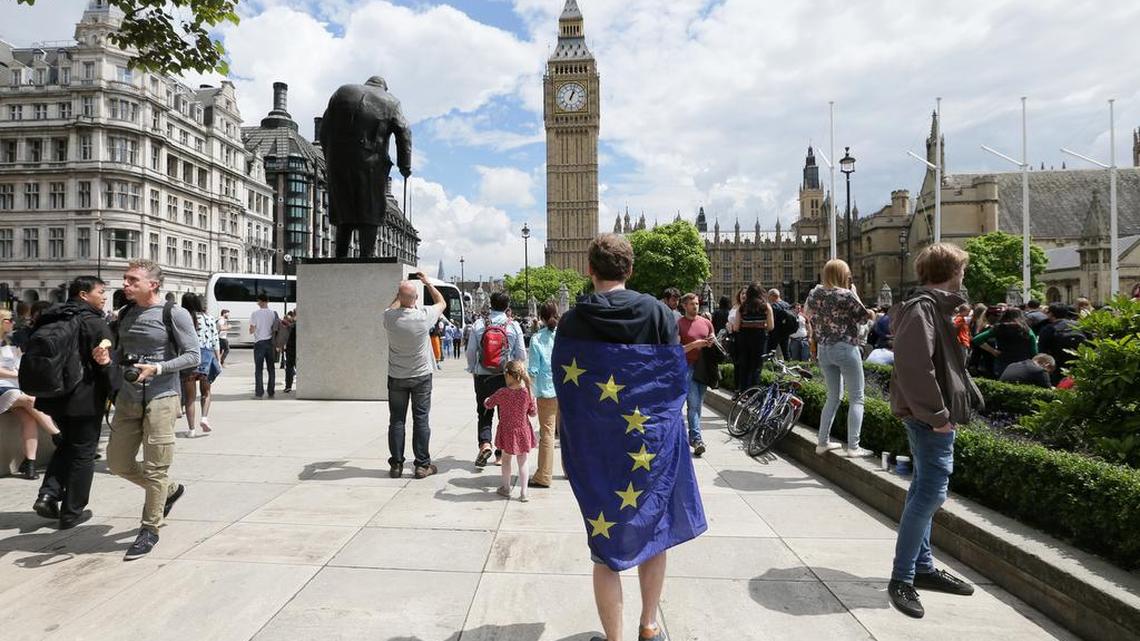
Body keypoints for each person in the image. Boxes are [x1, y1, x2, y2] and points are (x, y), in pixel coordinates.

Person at [553, 233, 705, 641]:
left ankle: (614, 638)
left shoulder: (573, 320)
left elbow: (566, 390)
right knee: (654, 530)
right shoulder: (657, 312)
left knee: (604, 545)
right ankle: (649, 626)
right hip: (648, 445)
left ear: (590, 270)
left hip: (598, 449)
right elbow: (672, 382)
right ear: (630, 270)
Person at [888, 243, 981, 619]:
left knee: (924, 488)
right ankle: (902, 578)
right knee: (931, 493)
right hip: (931, 417)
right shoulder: (922, 308)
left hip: (935, 414)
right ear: (951, 271)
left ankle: (922, 568)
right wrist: (938, 414)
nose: (964, 275)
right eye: (962, 269)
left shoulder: (937, 308)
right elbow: (913, 366)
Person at [108, 259, 200, 561]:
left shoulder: (174, 313)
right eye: (125, 279)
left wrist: (158, 367)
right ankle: (170, 490)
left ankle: (150, 528)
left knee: (155, 467)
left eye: (133, 280)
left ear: (153, 285)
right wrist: (106, 355)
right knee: (118, 463)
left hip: (162, 396)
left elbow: (192, 356)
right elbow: (122, 354)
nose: (126, 284)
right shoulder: (126, 313)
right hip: (128, 396)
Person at [31, 276, 113, 527]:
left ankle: (48, 494)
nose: (104, 296)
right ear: (83, 294)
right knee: (84, 453)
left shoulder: (52, 316)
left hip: (53, 395)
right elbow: (106, 364)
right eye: (100, 291)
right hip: (84, 397)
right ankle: (71, 511)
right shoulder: (94, 323)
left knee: (67, 444)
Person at [804, 259, 874, 457]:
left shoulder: (815, 292)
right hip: (845, 347)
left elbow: (807, 314)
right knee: (857, 398)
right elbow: (863, 317)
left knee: (833, 397)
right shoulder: (845, 294)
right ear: (843, 275)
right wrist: (857, 296)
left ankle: (822, 442)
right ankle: (853, 446)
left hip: (824, 350)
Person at [383, 274, 446, 479]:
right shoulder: (423, 316)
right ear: (416, 298)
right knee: (421, 420)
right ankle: (421, 465)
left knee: (397, 420)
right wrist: (427, 282)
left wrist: (400, 294)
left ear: (400, 297)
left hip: (397, 376)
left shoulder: (389, 317)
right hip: (420, 375)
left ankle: (397, 465)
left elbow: (393, 306)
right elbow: (441, 302)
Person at [466, 291, 526, 468]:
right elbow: (521, 353)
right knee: (505, 415)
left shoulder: (479, 324)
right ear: (507, 306)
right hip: (506, 376)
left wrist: (472, 368)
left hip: (483, 375)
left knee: (484, 411)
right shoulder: (513, 326)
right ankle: (500, 454)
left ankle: (485, 444)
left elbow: (470, 351)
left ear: (490, 305)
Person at [0, 311, 63, 480]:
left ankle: (30, 462)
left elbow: (19, 361)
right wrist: (17, 375)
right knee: (30, 400)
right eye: (9, 320)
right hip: (4, 387)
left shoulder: (11, 340)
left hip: (12, 387)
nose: (12, 322)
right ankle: (58, 436)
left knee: (29, 417)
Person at [483, 359, 537, 501]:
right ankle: (524, 492)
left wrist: (486, 400)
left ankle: (506, 488)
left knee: (506, 460)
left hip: (507, 431)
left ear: (508, 376)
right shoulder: (527, 393)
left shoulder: (502, 392)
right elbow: (533, 413)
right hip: (522, 430)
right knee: (523, 460)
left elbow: (489, 404)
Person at [527, 301, 559, 489]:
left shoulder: (537, 339)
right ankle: (570, 471)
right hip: (567, 388)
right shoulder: (565, 337)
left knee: (547, 434)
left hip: (546, 391)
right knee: (567, 434)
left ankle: (544, 475)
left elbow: (534, 369)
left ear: (541, 317)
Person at [678, 292, 713, 457]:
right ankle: (697, 439)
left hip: (703, 368)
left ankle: (693, 436)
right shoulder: (678, 324)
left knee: (698, 405)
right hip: (687, 368)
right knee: (693, 404)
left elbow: (713, 343)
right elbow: (676, 350)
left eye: (697, 304)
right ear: (684, 306)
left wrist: (712, 342)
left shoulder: (706, 323)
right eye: (692, 304)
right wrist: (694, 345)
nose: (695, 306)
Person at [179, 293, 219, 439]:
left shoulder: (184, 318)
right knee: (206, 392)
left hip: (189, 357)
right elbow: (215, 340)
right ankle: (204, 418)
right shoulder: (209, 318)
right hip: (207, 356)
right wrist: (218, 359)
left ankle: (191, 429)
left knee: (190, 397)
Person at [729, 283, 774, 391]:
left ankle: (743, 391)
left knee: (744, 365)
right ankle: (753, 392)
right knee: (757, 366)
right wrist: (761, 326)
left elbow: (736, 328)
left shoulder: (742, 307)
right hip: (759, 337)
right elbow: (771, 326)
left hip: (744, 338)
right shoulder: (765, 306)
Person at [970, 308, 1037, 378]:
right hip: (1023, 364)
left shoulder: (999, 328)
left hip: (1003, 363)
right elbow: (1034, 350)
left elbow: (977, 339)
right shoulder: (1027, 330)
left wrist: (993, 351)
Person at [1037, 303, 1086, 385]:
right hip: (1079, 365)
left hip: (1057, 366)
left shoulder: (1048, 329)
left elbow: (1042, 352)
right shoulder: (1079, 326)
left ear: (1051, 314)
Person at [248, 293, 279, 399]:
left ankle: (259, 393)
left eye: (258, 301)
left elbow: (252, 330)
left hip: (259, 343)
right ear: (268, 301)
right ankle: (271, 392)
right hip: (270, 343)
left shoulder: (255, 314)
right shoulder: (273, 313)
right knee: (271, 369)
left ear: (260, 301)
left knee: (258, 369)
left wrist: (253, 330)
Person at [766, 288, 795, 358]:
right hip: (786, 332)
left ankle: (771, 367)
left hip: (775, 333)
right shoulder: (787, 305)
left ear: (773, 296)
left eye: (769, 296)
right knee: (786, 352)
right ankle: (788, 366)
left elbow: (771, 320)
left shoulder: (773, 306)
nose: (768, 298)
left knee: (770, 352)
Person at [282, 310, 298, 393]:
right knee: (298, 367)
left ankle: (288, 386)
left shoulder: (290, 325)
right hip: (298, 348)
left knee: (289, 367)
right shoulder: (297, 324)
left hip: (290, 348)